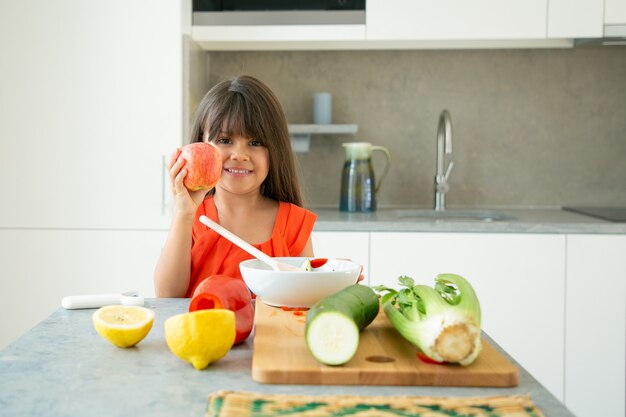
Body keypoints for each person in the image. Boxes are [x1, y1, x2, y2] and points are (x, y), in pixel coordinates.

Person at [154, 75, 317, 298]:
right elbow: (167, 296)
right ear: (201, 143)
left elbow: (307, 296)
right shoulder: (191, 218)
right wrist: (183, 213)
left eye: (255, 143)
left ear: (275, 150)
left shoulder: (294, 224)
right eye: (224, 140)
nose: (239, 155)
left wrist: (334, 281)